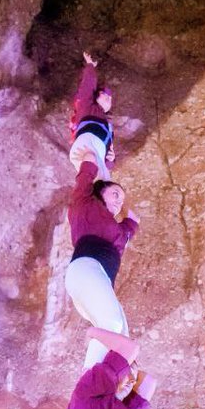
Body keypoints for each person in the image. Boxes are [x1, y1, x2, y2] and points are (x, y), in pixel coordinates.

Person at [66, 154, 139, 369]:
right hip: (86, 270)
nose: (119, 202)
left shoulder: (116, 231)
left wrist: (132, 222)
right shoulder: (86, 204)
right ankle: (89, 395)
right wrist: (91, 159)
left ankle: (110, 391)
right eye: (115, 194)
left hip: (96, 278)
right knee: (112, 325)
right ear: (100, 193)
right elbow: (85, 178)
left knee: (121, 336)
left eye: (122, 199)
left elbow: (126, 231)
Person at [69, 51, 115, 180]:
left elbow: (109, 160)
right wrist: (90, 66)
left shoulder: (108, 127)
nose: (108, 98)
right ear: (94, 98)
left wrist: (110, 160)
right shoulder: (87, 106)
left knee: (99, 177)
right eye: (104, 94)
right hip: (89, 145)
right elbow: (87, 87)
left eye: (110, 98)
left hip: (87, 149)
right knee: (103, 180)